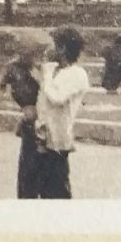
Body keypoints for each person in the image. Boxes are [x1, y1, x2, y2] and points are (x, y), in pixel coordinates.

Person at [30, 26, 90, 199]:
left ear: (62, 48)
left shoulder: (77, 74)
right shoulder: (54, 71)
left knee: (57, 191)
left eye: (53, 45)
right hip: (42, 139)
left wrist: (47, 74)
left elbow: (56, 97)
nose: (48, 49)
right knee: (39, 190)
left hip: (58, 140)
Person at [0, 50, 42, 199]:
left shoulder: (36, 69)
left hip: (35, 113)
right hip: (29, 111)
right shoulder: (14, 67)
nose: (30, 58)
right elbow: (3, 84)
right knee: (28, 165)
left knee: (30, 164)